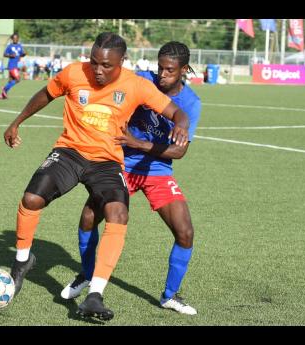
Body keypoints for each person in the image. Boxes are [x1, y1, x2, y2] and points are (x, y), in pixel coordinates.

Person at [2, 32, 189, 321]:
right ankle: (22, 262)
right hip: (70, 152)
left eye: (106, 65)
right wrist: (17, 122)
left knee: (118, 213)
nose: (98, 71)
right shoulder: (73, 73)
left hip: (107, 161)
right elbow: (45, 94)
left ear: (122, 62)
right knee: (31, 198)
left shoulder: (137, 85)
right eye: (94, 62)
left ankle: (94, 294)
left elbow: (176, 111)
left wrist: (182, 124)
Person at [61, 41, 201, 316]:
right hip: (121, 165)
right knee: (89, 216)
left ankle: (170, 296)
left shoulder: (191, 103)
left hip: (157, 171)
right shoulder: (141, 81)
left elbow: (179, 151)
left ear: (184, 70)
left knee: (185, 233)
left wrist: (139, 143)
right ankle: (87, 274)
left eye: (170, 70)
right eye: (160, 67)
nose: (162, 74)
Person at [0, 33, 26, 99]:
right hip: (12, 66)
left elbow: (21, 54)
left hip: (15, 66)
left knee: (11, 81)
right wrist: (10, 55)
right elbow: (4, 54)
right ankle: (4, 89)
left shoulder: (20, 46)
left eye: (16, 38)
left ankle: (2, 95)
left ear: (18, 39)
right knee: (18, 79)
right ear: (12, 39)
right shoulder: (10, 46)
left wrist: (23, 54)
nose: (15, 39)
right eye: (14, 38)